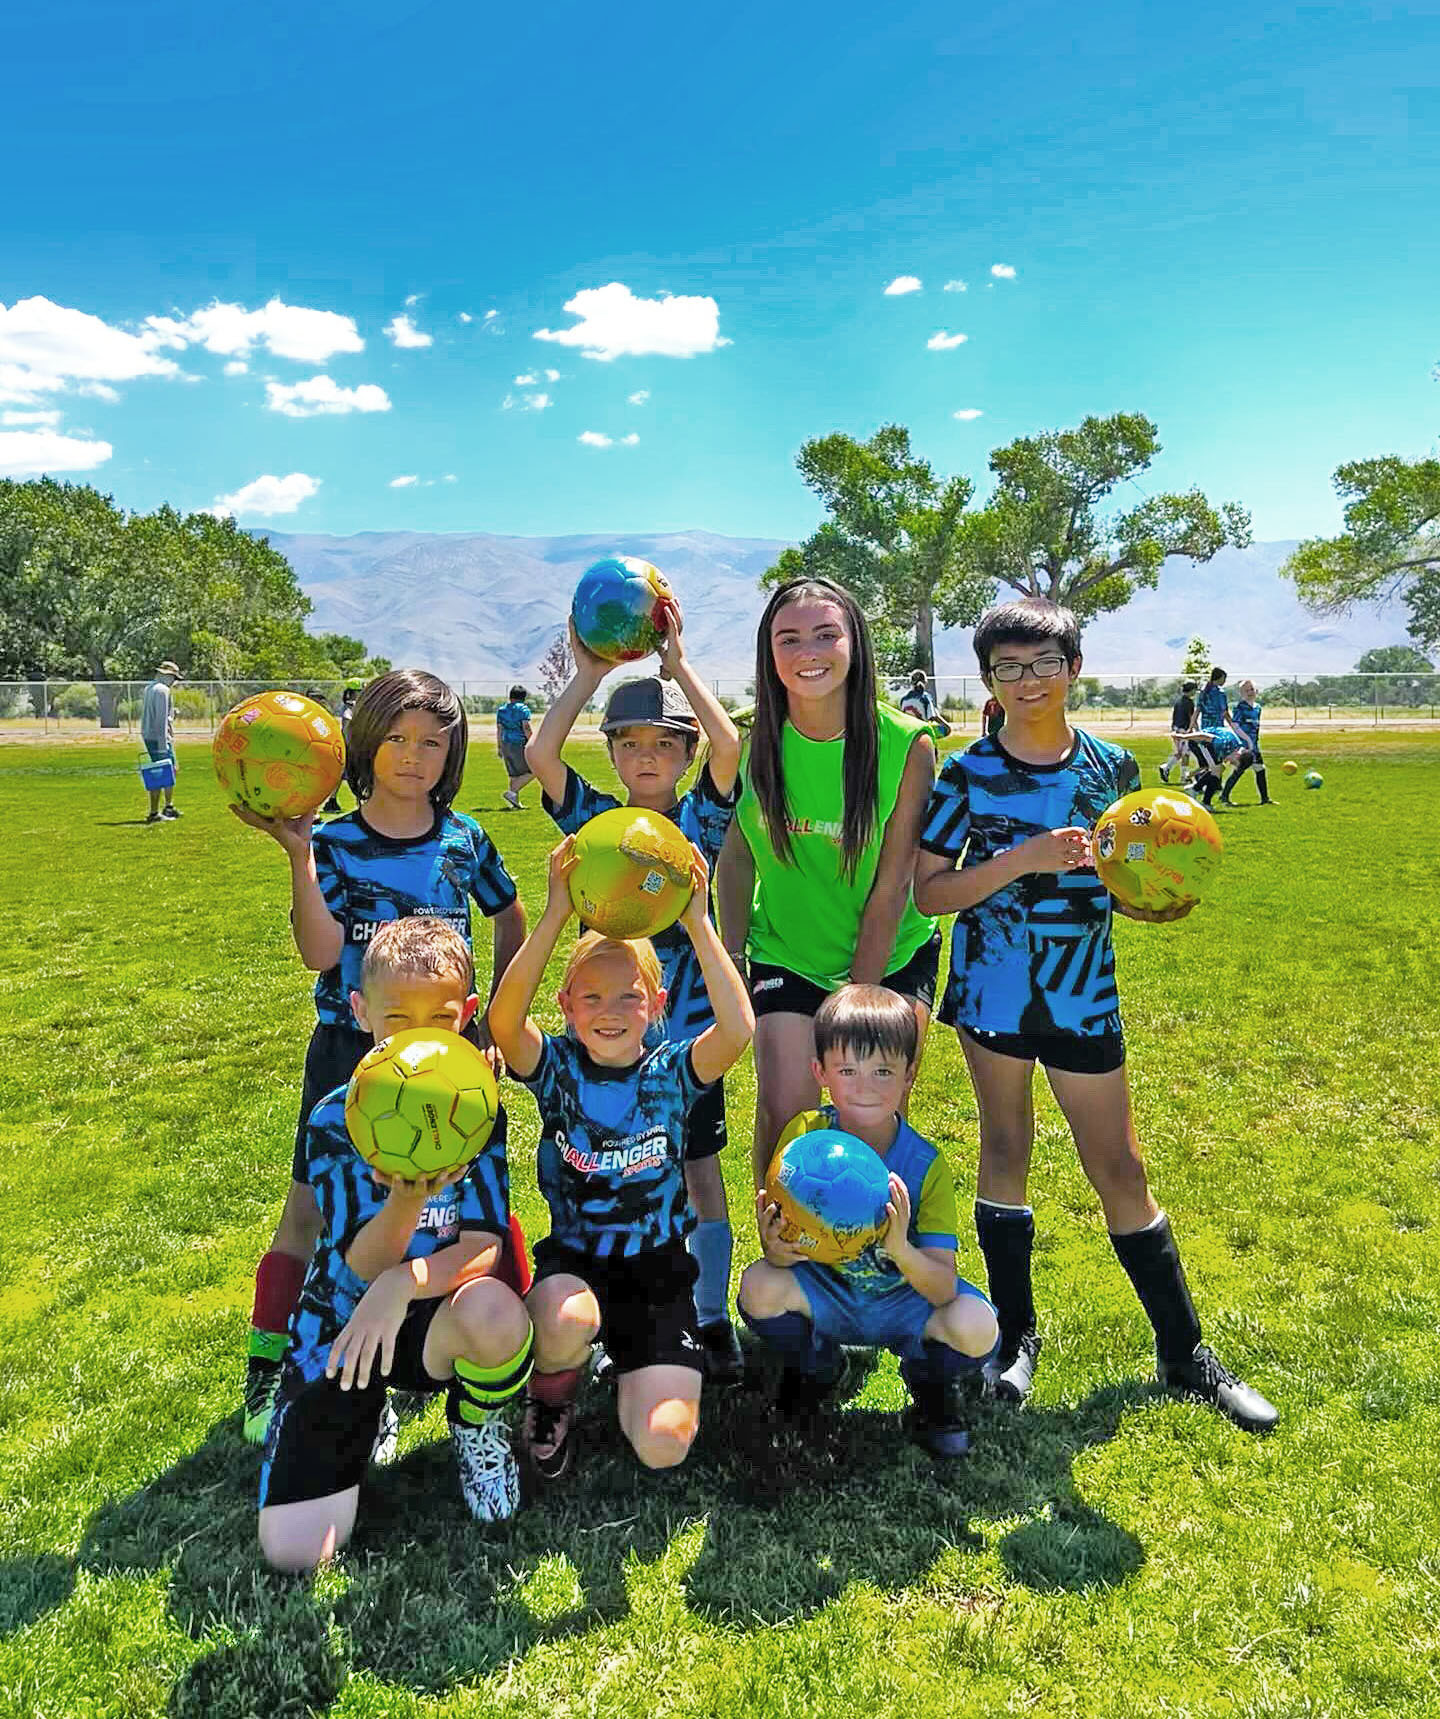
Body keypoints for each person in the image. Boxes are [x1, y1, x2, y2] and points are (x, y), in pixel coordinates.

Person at [913, 598, 1277, 1433]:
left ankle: (1185, 1352)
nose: (1029, 680)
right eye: (1010, 666)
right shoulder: (966, 772)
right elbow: (929, 893)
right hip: (992, 992)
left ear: (1074, 670)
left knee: (1119, 1166)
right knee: (1006, 1148)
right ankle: (1014, 1340)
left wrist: (1150, 906)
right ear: (989, 680)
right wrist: (1022, 859)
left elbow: (1122, 874)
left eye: (1045, 663)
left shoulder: (1111, 767)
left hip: (1082, 992)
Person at [234, 669, 526, 1446]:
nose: (413, 756)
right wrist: (299, 859)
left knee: (463, 1199)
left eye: (433, 742)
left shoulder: (464, 839)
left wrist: (494, 1021)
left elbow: (510, 914)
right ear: (365, 743)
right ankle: (273, 1363)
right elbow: (318, 951)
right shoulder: (334, 841)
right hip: (349, 1049)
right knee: (312, 1209)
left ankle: (456, 1347)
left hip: (448, 1060)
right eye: (397, 738)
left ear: (453, 753)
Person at [258, 917, 533, 1570]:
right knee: (297, 1554)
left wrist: (404, 1283)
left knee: (495, 1312)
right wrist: (407, 1200)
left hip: (429, 1312)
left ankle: (475, 1425)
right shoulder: (333, 1116)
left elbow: (485, 1244)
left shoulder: (476, 1104)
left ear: (468, 1015)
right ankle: (353, 1410)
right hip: (345, 1323)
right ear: (360, 1012)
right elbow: (362, 1260)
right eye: (396, 1018)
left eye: (439, 1018)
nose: (418, 1041)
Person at [525, 607, 747, 1382]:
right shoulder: (595, 819)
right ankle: (594, 1303)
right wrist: (589, 671)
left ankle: (709, 1315)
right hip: (602, 1037)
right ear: (613, 752)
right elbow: (540, 751)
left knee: (698, 1165)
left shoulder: (696, 823)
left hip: (685, 1036)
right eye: (631, 742)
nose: (647, 754)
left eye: (663, 741)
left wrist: (679, 664)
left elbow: (731, 745)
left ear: (683, 752)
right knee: (599, 1164)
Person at [487, 839, 754, 1482]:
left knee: (664, 1445)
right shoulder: (556, 1069)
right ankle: (552, 1398)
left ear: (657, 1006)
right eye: (592, 998)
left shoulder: (673, 1072)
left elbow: (739, 1028)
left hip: (658, 1274)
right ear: (568, 1007)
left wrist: (696, 917)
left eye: (629, 997)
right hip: (576, 1265)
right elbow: (502, 1023)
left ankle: (638, 1364)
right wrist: (553, 914)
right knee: (564, 1318)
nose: (610, 1013)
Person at [714, 576, 940, 1191]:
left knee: (869, 1111)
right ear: (769, 654)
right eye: (789, 639)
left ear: (854, 644)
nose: (807, 652)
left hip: (892, 952)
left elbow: (893, 884)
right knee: (786, 1112)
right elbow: (735, 859)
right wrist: (733, 956)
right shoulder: (750, 739)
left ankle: (879, 1258)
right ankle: (781, 1256)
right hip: (788, 949)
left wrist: (857, 1006)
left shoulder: (907, 744)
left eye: (825, 635)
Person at [739, 984, 998, 1457]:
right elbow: (778, 1252)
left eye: (883, 1071)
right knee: (758, 1286)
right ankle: (816, 1368)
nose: (864, 1087)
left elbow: (942, 1288)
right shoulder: (803, 1139)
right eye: (847, 1070)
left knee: (977, 1323)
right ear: (820, 1072)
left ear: (908, 1075)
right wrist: (775, 1246)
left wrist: (900, 1247)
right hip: (828, 1293)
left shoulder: (924, 1166)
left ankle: (931, 1388)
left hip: (904, 1303)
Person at [1192, 668, 1252, 809]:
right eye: (1224, 678)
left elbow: (1197, 711)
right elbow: (1224, 712)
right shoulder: (1219, 692)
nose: (1225, 681)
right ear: (1219, 678)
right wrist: (1233, 726)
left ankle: (1200, 789)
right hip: (1218, 735)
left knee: (1217, 768)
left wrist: (1193, 727)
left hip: (1206, 730)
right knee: (1217, 769)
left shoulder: (1202, 692)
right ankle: (1199, 793)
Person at [1220, 679, 1275, 806]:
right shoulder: (1240, 707)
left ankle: (1265, 799)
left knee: (1260, 769)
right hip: (1244, 746)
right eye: (1246, 690)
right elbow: (1235, 726)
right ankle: (1224, 796)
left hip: (1254, 746)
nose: (1250, 692)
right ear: (1241, 693)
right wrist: (1247, 741)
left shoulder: (1258, 708)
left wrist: (1253, 743)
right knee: (1239, 770)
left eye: (1252, 689)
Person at [141, 660, 182, 822]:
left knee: (170, 770)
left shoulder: (150, 688)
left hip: (150, 735)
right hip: (159, 737)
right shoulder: (162, 690)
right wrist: (163, 744)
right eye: (173, 677)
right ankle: (154, 812)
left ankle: (168, 806)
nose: (173, 681)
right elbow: (160, 720)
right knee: (161, 773)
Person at [496, 686, 535, 810]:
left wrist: (499, 746)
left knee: (514, 774)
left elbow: (499, 729)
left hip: (506, 742)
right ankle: (512, 793)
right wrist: (533, 742)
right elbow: (526, 727)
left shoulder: (502, 710)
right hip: (519, 743)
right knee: (534, 770)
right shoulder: (523, 709)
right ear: (523, 697)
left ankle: (515, 801)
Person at [1158, 679, 1200, 787]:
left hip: (1176, 729)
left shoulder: (1179, 701)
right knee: (1185, 754)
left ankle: (1167, 768)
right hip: (1183, 730)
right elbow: (1192, 718)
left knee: (1180, 753)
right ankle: (1182, 776)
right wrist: (1196, 730)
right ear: (1191, 690)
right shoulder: (1189, 702)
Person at [898, 669, 951, 738]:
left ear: (911, 682)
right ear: (925, 682)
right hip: (921, 732)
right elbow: (933, 717)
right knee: (944, 730)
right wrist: (947, 727)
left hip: (908, 733)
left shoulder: (903, 699)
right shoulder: (925, 697)